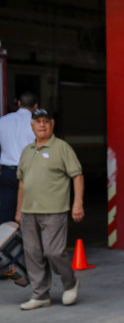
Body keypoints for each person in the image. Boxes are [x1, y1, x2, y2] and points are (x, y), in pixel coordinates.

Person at [15, 109, 84, 310]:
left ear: (52, 124)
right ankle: (40, 294)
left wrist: (77, 203)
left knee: (53, 251)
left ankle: (70, 283)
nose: (42, 125)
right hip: (29, 211)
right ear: (32, 126)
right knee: (32, 253)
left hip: (55, 209)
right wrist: (19, 210)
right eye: (38, 122)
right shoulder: (27, 151)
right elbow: (21, 183)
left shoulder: (62, 147)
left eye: (46, 121)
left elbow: (77, 176)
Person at [0, 92, 37, 224]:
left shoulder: (3, 121)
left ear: (19, 104)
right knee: (31, 212)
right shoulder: (37, 124)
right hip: (30, 173)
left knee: (5, 214)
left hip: (8, 172)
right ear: (36, 106)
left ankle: (5, 243)